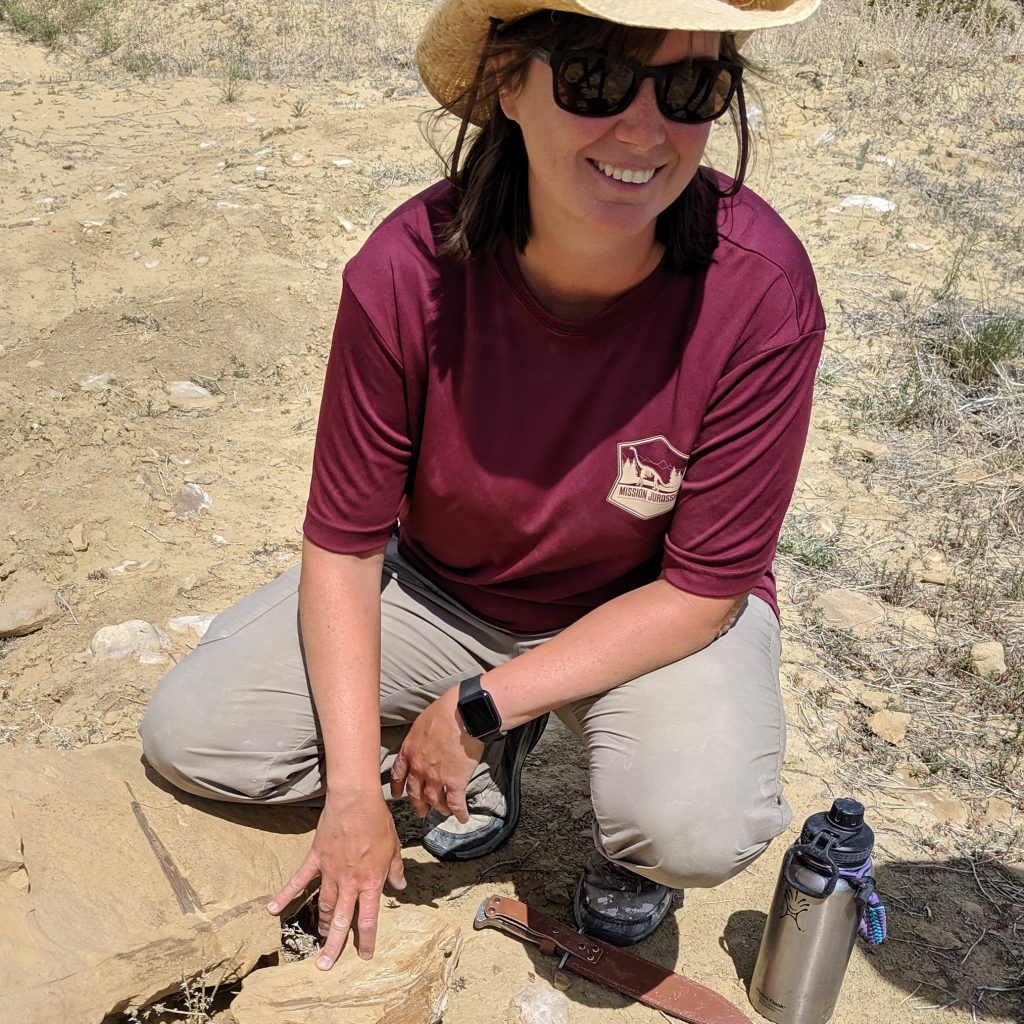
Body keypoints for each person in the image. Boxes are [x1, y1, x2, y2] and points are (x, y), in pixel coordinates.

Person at [140, 0, 826, 971]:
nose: (642, 128)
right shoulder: (404, 272)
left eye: (688, 87)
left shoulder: (760, 292)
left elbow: (701, 592)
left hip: (645, 616)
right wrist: (349, 794)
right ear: (510, 82)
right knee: (195, 735)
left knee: (690, 821)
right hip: (443, 589)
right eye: (595, 78)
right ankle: (480, 738)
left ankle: (573, 792)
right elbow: (343, 541)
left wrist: (475, 704)